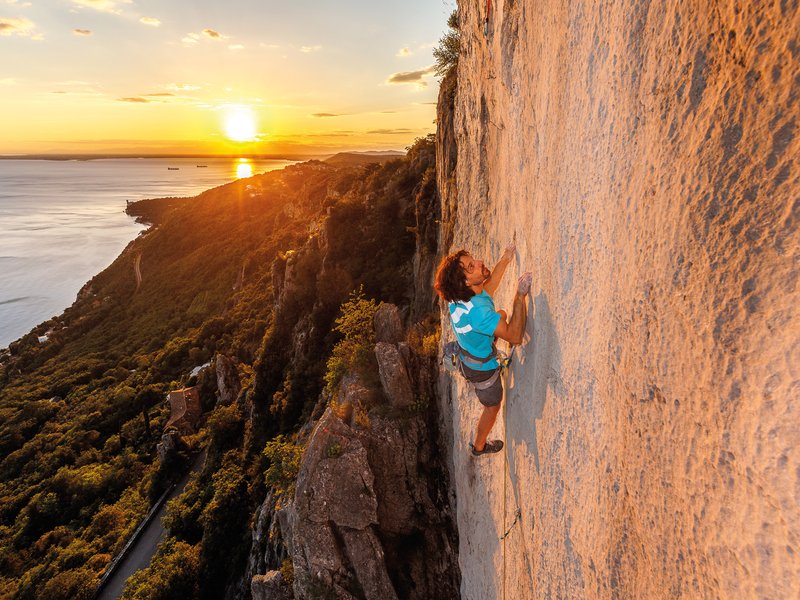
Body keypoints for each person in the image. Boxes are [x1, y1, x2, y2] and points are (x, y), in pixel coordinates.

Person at [434, 245, 532, 456]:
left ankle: (495, 341)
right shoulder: (478, 313)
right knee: (493, 407)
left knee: (501, 314)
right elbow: (515, 337)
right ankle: (479, 447)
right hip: (481, 370)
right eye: (472, 266)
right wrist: (519, 296)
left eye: (473, 261)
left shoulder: (460, 296)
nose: (479, 262)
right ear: (466, 282)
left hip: (469, 350)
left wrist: (505, 259)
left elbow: (489, 288)